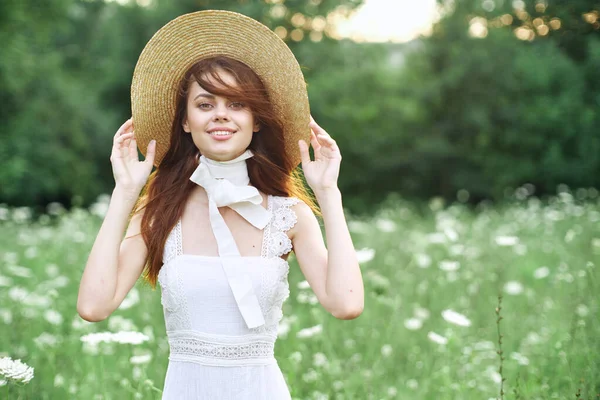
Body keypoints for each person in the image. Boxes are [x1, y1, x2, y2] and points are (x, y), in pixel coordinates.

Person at [77, 10, 364, 400]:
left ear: (256, 120)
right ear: (185, 121)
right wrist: (125, 194)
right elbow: (94, 306)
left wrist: (329, 194)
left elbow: (346, 304)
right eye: (205, 104)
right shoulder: (160, 211)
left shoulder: (287, 214)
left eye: (236, 104)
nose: (221, 116)